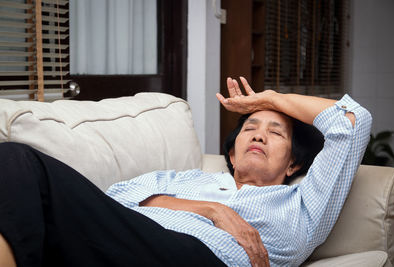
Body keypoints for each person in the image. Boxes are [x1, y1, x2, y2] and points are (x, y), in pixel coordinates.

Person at [0, 77, 371, 267]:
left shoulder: (301, 203)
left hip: (202, 259)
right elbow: (115, 198)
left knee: (21, 164)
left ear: (293, 164)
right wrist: (213, 210)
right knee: (16, 164)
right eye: (250, 127)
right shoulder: (187, 181)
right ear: (231, 152)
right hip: (128, 243)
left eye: (275, 133)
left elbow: (353, 122)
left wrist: (269, 98)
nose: (259, 133)